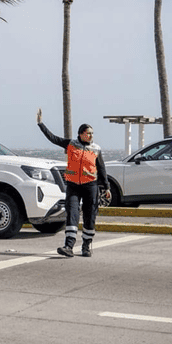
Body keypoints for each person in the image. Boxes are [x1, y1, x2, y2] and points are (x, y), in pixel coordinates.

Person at [36, 108, 111, 258]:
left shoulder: (96, 149)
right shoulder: (71, 144)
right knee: (72, 214)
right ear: (81, 134)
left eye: (92, 133)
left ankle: (86, 246)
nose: (91, 135)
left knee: (90, 215)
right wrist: (40, 124)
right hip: (73, 186)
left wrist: (106, 187)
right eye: (88, 133)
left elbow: (101, 169)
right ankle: (68, 246)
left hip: (91, 186)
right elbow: (53, 138)